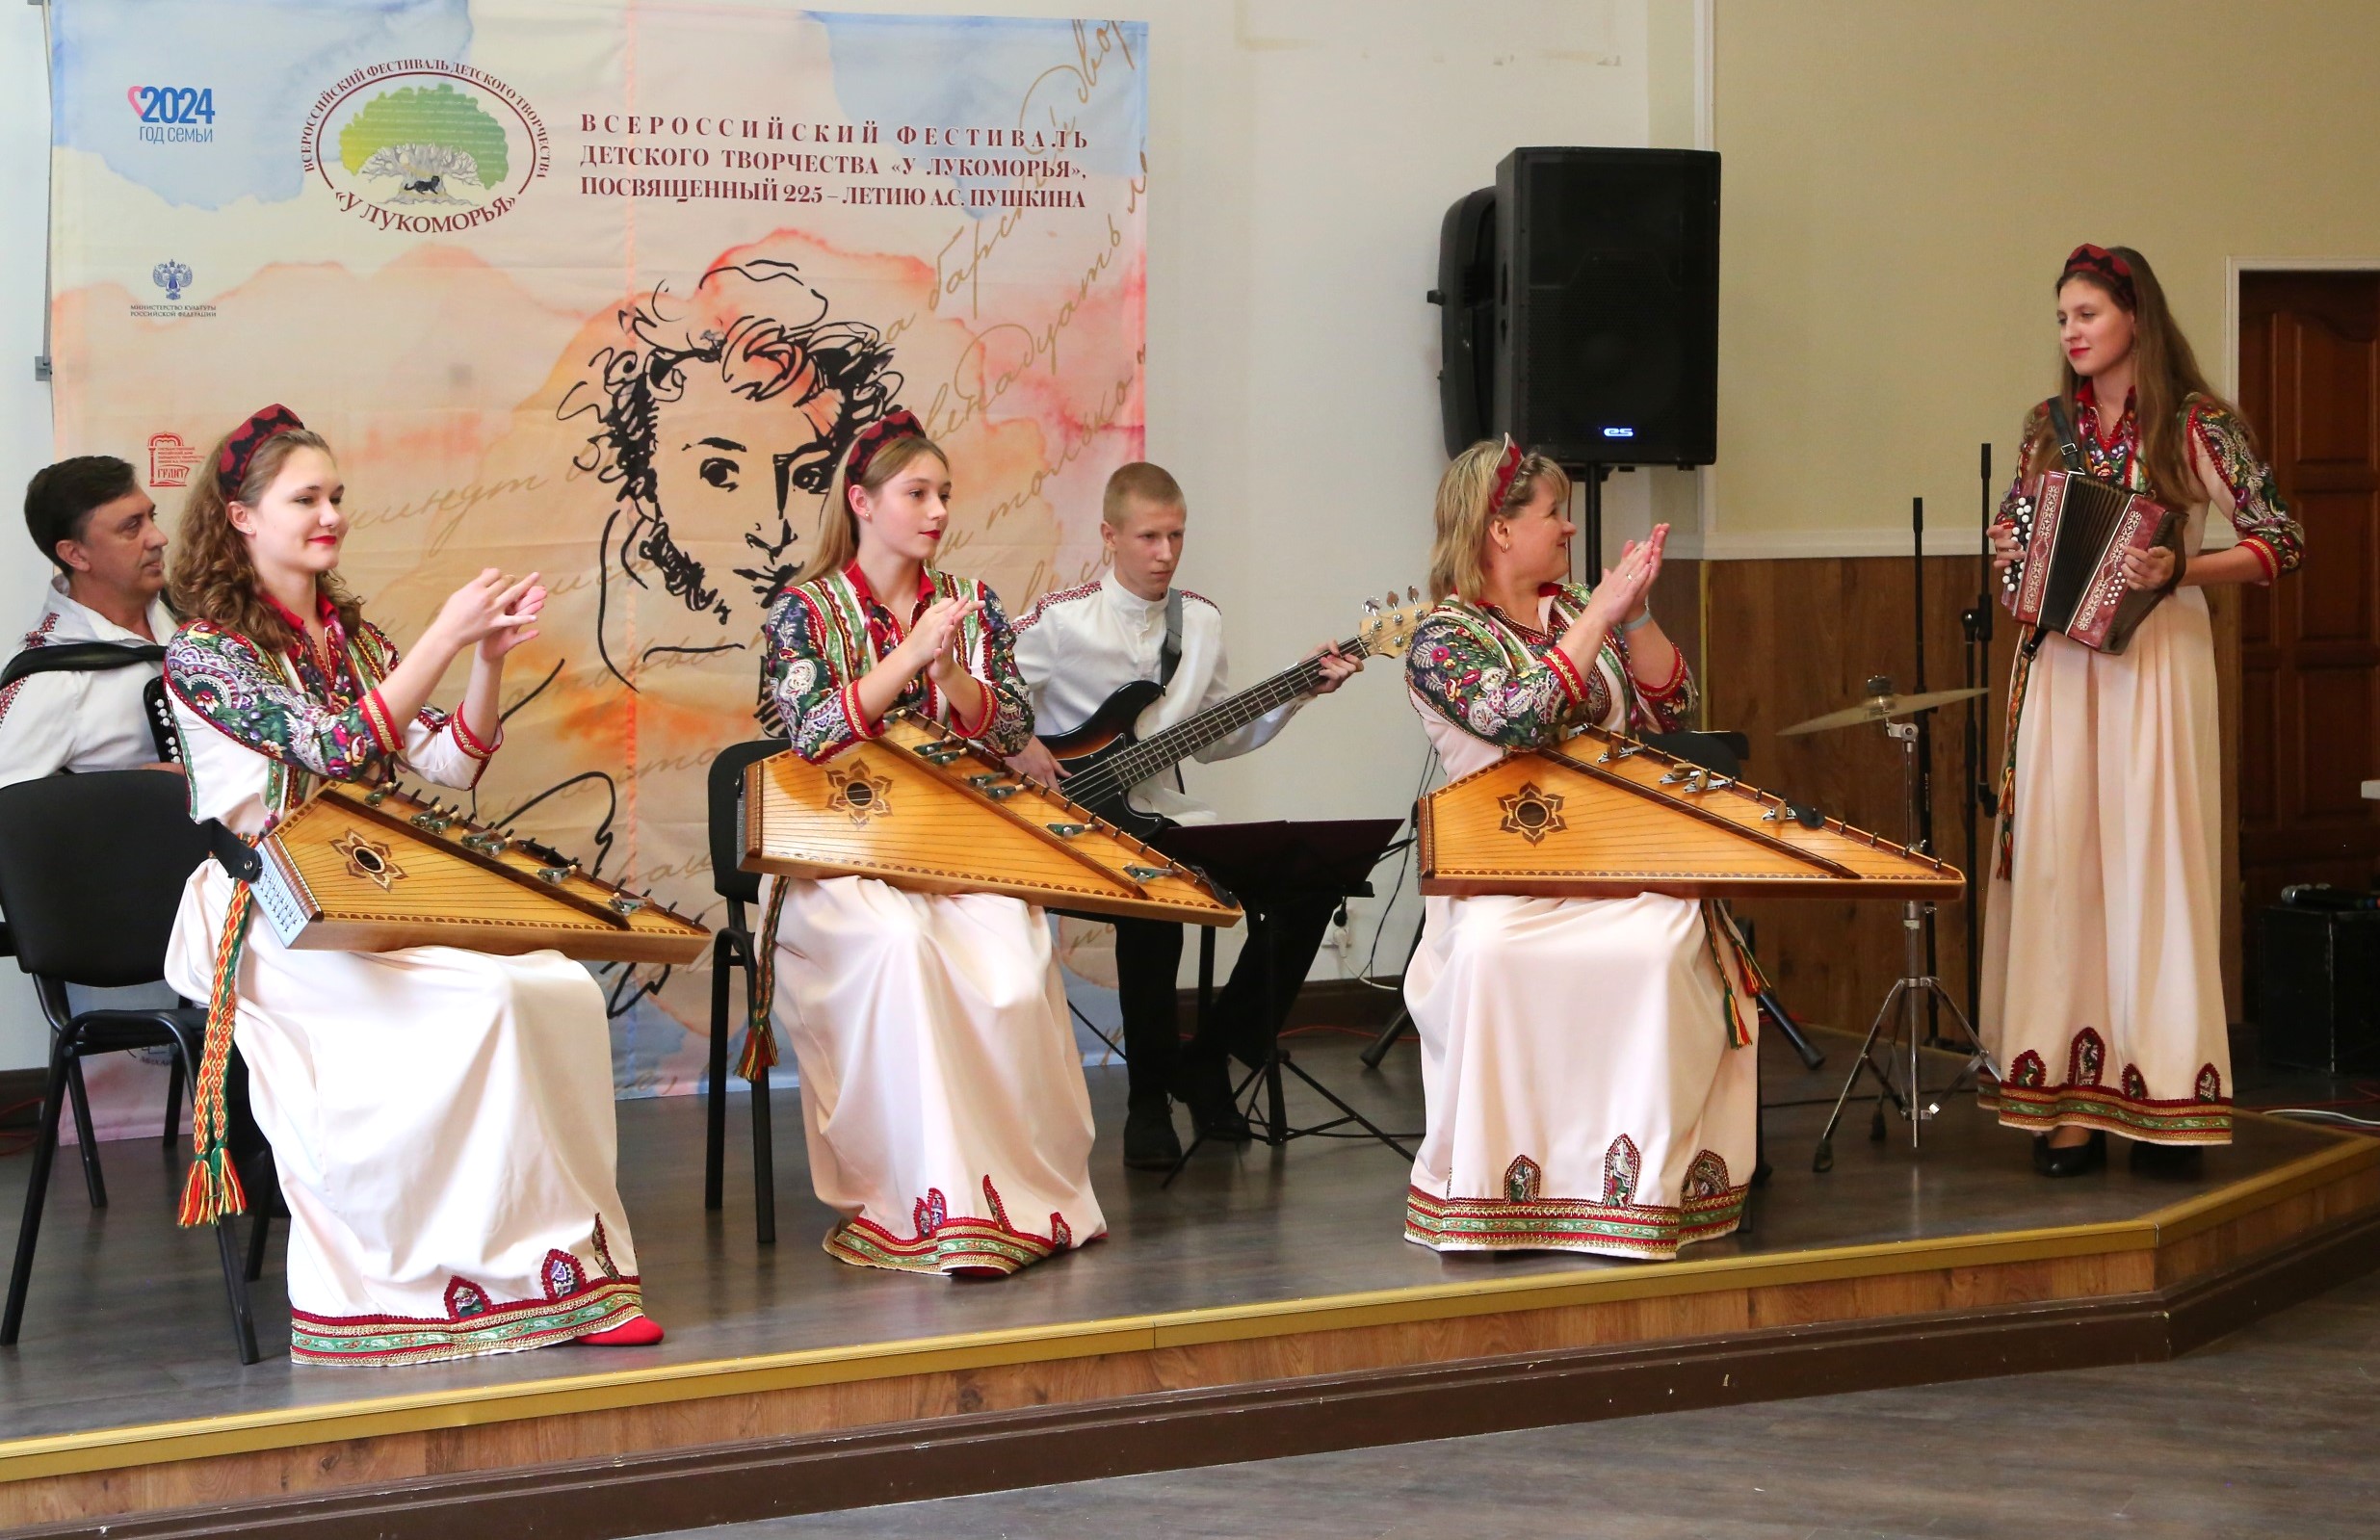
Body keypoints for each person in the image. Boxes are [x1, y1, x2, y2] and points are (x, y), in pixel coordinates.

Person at [161, 405, 659, 1364]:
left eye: (336, 496)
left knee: (554, 986)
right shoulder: (204, 653)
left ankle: (561, 1269)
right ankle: (440, 1281)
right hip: (267, 906)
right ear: (241, 517)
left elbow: (451, 762)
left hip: (366, 889)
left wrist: (485, 660)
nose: (331, 515)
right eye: (305, 499)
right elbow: (335, 746)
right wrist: (442, 634)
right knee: (484, 999)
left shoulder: (350, 636)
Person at [749, 407, 1104, 1277]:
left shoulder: (970, 605)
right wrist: (908, 655)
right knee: (899, 947)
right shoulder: (803, 609)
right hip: (837, 858)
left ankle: (1019, 1200)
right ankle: (922, 1202)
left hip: (955, 848)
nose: (938, 510)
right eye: (917, 493)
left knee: (1012, 964)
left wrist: (950, 671)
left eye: (943, 492)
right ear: (862, 502)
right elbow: (810, 730)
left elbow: (1011, 728)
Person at [1983, 245, 2303, 1178]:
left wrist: (2178, 569)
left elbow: (2278, 539)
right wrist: (2011, 558)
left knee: (2150, 864)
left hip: (2156, 659)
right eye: (2061, 319)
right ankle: (2068, 1106)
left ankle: (2163, 1103)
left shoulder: (2199, 423)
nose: (2070, 333)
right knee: (2063, 866)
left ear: (2134, 317)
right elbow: (2013, 531)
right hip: (2060, 663)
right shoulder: (2045, 427)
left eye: (2085, 314)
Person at [1399, 437, 1759, 1260]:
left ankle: (1636, 1193)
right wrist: (1600, 612)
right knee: (1489, 953)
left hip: (1616, 865)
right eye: (1553, 513)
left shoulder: (1572, 612)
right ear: (1498, 529)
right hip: (1500, 880)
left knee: (1663, 940)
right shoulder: (1441, 640)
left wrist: (1632, 613)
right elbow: (1521, 717)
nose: (1568, 528)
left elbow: (1675, 708)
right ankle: (1508, 1195)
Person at [1008, 463, 1360, 1169]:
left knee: (1313, 883)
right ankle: (1147, 1102)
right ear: (1109, 535)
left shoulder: (1198, 621)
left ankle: (1209, 1056)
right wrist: (1018, 741)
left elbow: (1216, 736)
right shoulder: (1060, 620)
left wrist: (1299, 692)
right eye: (1148, 537)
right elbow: (982, 690)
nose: (1165, 553)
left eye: (1176, 536)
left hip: (1161, 813)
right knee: (1156, 901)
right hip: (1063, 825)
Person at [0, 456, 178, 785]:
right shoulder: (48, 680)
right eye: (132, 527)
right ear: (76, 555)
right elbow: (10, 805)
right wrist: (127, 792)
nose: (158, 538)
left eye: (150, 518)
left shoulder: (185, 609)